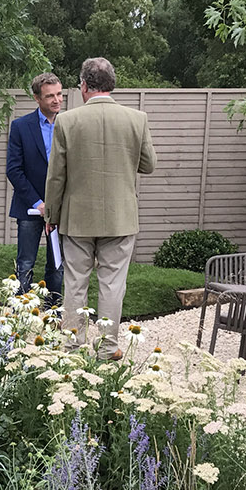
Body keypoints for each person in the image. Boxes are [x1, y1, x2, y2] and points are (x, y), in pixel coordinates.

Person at [43, 57, 155, 359]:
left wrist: (50, 215)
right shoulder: (137, 119)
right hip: (120, 219)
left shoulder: (67, 121)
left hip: (77, 219)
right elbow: (149, 165)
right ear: (112, 85)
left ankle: (73, 346)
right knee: (112, 285)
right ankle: (107, 347)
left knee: (75, 283)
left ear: (83, 86)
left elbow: (56, 176)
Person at [5, 72, 64, 303]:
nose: (57, 100)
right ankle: (23, 311)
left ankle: (53, 310)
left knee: (57, 264)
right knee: (26, 263)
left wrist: (56, 205)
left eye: (59, 94)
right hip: (30, 208)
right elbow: (14, 169)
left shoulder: (70, 124)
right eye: (50, 96)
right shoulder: (21, 126)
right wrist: (38, 203)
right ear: (37, 98)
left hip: (60, 209)